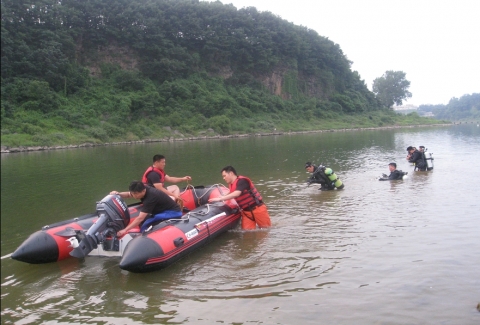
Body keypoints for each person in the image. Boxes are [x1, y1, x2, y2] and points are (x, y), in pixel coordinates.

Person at [208, 166, 271, 230]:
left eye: (224, 176)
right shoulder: (232, 184)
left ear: (231, 173)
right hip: (246, 212)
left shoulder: (242, 181)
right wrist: (222, 196)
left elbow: (237, 193)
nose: (224, 178)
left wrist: (221, 199)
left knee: (265, 230)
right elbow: (232, 191)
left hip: (257, 209)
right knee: (247, 233)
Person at [110, 181, 182, 236]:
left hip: (172, 212)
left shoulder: (150, 198)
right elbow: (129, 194)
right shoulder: (143, 188)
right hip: (161, 210)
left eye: (135, 194)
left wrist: (125, 230)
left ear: (143, 191)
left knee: (146, 224)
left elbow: (140, 218)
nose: (134, 196)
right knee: (143, 221)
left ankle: (145, 237)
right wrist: (118, 194)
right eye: (133, 193)